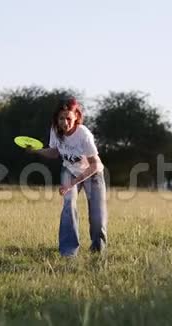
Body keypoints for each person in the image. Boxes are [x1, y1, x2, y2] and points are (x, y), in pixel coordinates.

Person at [28, 97, 108, 257]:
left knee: (97, 214)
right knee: (68, 206)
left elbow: (94, 164)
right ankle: (68, 252)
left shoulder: (83, 134)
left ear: (77, 116)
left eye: (68, 118)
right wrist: (36, 151)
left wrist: (72, 184)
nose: (65, 122)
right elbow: (55, 152)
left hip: (92, 173)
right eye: (61, 118)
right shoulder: (55, 130)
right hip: (70, 170)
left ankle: (98, 250)